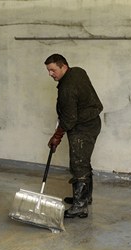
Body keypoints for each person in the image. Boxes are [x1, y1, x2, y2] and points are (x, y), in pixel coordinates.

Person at [45, 54, 103, 218]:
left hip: (82, 127)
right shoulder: (77, 71)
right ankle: (85, 198)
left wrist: (57, 136)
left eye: (53, 70)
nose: (50, 74)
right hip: (93, 122)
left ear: (63, 66)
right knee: (83, 161)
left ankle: (79, 206)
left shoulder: (67, 88)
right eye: (48, 70)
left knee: (78, 164)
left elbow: (69, 119)